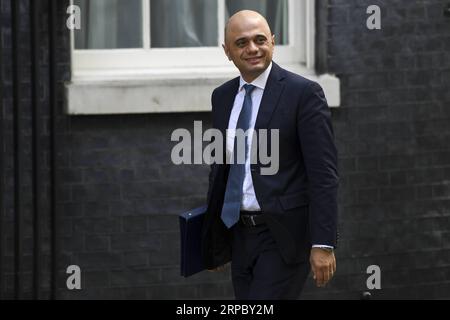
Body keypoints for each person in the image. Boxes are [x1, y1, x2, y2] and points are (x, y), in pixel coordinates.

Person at [201, 10, 339, 300]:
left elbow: (323, 174)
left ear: (273, 42)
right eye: (241, 43)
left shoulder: (303, 94)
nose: (252, 48)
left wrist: (323, 243)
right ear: (227, 51)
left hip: (283, 237)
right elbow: (221, 169)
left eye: (259, 39)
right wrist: (214, 238)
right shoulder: (223, 97)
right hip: (238, 233)